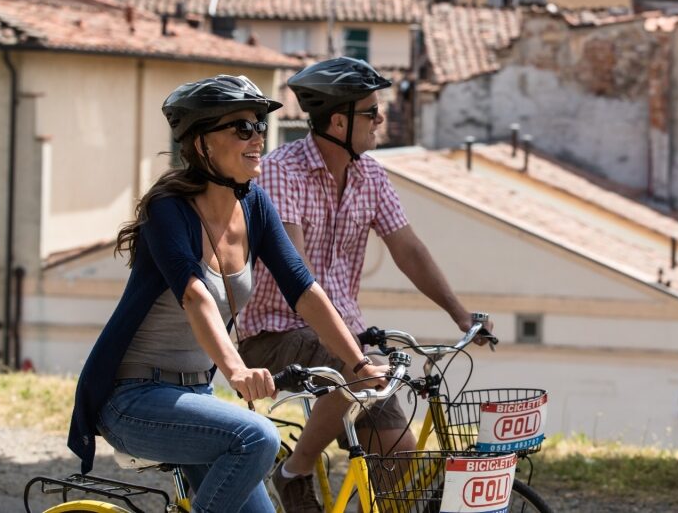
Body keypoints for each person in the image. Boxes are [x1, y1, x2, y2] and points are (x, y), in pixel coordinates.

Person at [67, 75, 384, 513]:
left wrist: (358, 362)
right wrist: (236, 370)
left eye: (259, 126)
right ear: (201, 144)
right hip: (132, 400)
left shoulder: (254, 204)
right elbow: (194, 294)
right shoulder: (169, 210)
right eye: (241, 128)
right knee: (259, 436)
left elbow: (304, 289)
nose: (257, 137)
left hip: (195, 398)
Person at [238, 57, 492, 512]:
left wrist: (459, 313)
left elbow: (408, 248)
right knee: (350, 363)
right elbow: (294, 271)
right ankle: (294, 469)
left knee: (400, 453)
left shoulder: (371, 174)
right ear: (338, 121)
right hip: (275, 333)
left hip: (345, 334)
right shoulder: (281, 171)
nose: (381, 120)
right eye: (372, 112)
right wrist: (349, 349)